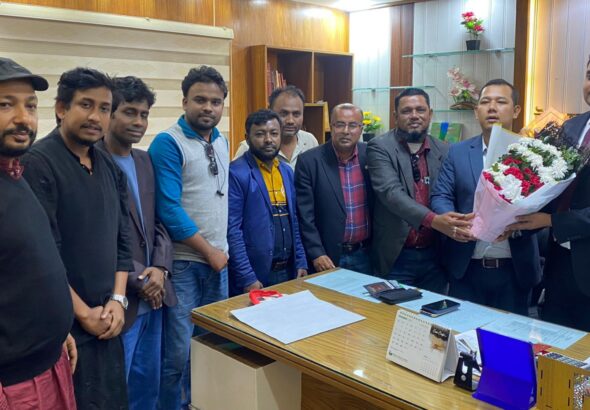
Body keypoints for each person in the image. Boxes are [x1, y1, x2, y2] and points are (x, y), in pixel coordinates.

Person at [22, 67, 133, 409]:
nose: (96, 116)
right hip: (66, 328)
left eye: (104, 108)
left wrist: (118, 300)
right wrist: (84, 314)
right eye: (86, 105)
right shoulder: (37, 164)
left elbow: (123, 239)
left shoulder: (108, 165)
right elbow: (43, 256)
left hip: (109, 318)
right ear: (61, 108)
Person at [148, 65, 229, 410]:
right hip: (184, 265)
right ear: (184, 102)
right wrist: (209, 251)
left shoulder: (221, 140)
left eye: (215, 101)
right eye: (200, 100)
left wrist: (219, 253)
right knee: (178, 354)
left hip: (218, 262)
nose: (208, 107)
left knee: (212, 347)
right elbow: (168, 209)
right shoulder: (168, 143)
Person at [0, 57, 77, 410]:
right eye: (5, 105)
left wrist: (55, 332)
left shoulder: (15, 173)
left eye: (30, 106)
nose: (23, 118)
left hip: (49, 362)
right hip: (14, 386)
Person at [96, 76, 176, 410]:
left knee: (148, 388)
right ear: (110, 113)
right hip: (118, 299)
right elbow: (97, 238)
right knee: (117, 392)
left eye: (144, 114)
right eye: (130, 112)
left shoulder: (144, 161)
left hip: (154, 297)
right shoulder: (92, 161)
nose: (139, 122)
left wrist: (160, 268)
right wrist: (140, 277)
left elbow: (158, 223)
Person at [431, 79, 541, 315]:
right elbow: (441, 195)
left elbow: (545, 209)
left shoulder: (533, 154)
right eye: (485, 102)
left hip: (515, 271)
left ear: (516, 110)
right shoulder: (457, 152)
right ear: (476, 111)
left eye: (501, 102)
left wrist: (517, 227)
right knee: (464, 333)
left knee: (509, 336)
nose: (492, 108)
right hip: (466, 268)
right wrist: (453, 221)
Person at [508, 57, 590, 329]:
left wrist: (552, 221)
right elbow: (551, 187)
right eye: (589, 76)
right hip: (559, 265)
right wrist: (512, 219)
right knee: (555, 343)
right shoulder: (570, 127)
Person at [367, 88, 465, 293]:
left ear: (430, 114)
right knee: (394, 311)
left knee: (433, 310)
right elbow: (391, 193)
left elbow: (448, 193)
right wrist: (434, 220)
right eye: (406, 111)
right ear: (395, 116)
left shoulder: (445, 149)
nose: (414, 116)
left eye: (420, 110)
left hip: (435, 257)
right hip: (397, 255)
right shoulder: (380, 147)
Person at [228, 109, 307, 295]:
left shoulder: (286, 171)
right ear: (247, 139)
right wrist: (247, 277)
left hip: (288, 270)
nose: (268, 140)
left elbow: (294, 221)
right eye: (260, 134)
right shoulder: (237, 173)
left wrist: (301, 260)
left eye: (274, 133)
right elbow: (232, 230)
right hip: (256, 275)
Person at [295, 103, 373, 274]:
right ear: (331, 127)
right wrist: (317, 252)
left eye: (353, 125)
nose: (346, 131)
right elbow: (305, 216)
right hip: (327, 257)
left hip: (366, 254)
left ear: (361, 129)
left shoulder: (371, 155)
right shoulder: (309, 162)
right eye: (340, 124)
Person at [234, 86, 318, 169]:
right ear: (270, 112)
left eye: (296, 114)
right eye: (284, 114)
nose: (290, 121)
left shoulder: (310, 141)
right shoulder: (248, 147)